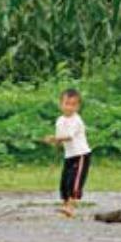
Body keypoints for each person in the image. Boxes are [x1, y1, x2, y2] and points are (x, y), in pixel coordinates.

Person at [43, 88, 91, 218]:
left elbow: (68, 136)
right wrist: (55, 144)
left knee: (75, 181)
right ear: (61, 104)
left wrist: (53, 138)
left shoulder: (77, 120)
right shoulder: (60, 120)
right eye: (67, 103)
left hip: (81, 155)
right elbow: (60, 139)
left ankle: (71, 207)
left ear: (78, 106)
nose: (69, 107)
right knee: (65, 182)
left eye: (73, 104)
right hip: (69, 155)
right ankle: (65, 206)